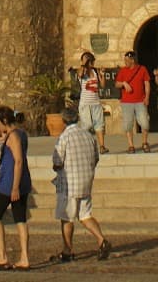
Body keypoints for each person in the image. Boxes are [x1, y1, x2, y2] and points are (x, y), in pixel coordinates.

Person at [50, 105, 112, 263]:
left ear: (64, 121)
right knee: (85, 215)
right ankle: (101, 240)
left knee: (67, 217)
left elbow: (57, 161)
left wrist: (59, 167)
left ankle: (67, 250)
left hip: (69, 183)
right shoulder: (88, 135)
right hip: (86, 181)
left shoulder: (64, 137)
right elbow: (96, 158)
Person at [0, 105, 32, 270]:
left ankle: (2, 255)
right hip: (19, 181)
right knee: (20, 218)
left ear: (4, 121)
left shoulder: (14, 137)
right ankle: (23, 257)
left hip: (9, 184)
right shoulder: (20, 134)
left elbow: (18, 161)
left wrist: (15, 187)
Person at [114, 50, 151, 153]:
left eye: (127, 60)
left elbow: (147, 84)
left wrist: (147, 97)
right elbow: (116, 84)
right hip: (127, 102)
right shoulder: (123, 71)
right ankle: (131, 145)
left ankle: (144, 142)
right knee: (128, 124)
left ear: (132, 60)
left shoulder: (142, 69)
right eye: (125, 60)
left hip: (140, 101)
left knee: (144, 123)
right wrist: (124, 83)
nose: (125, 62)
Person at [74, 50, 108, 154]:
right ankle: (85, 146)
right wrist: (84, 64)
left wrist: (102, 74)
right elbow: (80, 75)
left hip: (96, 103)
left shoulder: (95, 72)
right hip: (85, 104)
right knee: (87, 125)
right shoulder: (82, 71)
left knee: (99, 125)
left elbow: (102, 85)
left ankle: (102, 146)